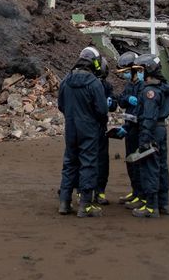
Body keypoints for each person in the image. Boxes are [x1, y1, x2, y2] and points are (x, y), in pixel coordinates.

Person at [57, 46, 109, 217]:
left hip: (71, 127)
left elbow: (61, 105)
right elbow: (102, 110)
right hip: (89, 128)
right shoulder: (94, 83)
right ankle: (85, 204)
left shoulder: (66, 80)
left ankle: (64, 202)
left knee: (70, 162)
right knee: (88, 163)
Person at [131, 54, 169, 218]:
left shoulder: (150, 91)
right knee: (162, 166)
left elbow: (148, 117)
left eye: (140, 70)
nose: (139, 74)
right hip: (161, 129)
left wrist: (144, 140)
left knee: (150, 167)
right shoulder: (163, 88)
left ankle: (151, 206)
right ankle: (163, 203)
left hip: (152, 130)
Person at [114, 52, 144, 209]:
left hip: (139, 130)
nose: (124, 75)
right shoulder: (129, 86)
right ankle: (135, 192)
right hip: (130, 129)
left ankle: (142, 195)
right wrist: (126, 99)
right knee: (130, 161)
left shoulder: (143, 85)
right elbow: (122, 101)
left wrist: (127, 127)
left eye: (126, 71)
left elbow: (140, 111)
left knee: (139, 162)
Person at [93, 57, 118, 205]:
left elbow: (113, 104)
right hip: (89, 126)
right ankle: (83, 191)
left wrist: (111, 102)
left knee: (102, 161)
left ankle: (99, 191)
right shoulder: (87, 84)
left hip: (100, 126)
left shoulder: (106, 86)